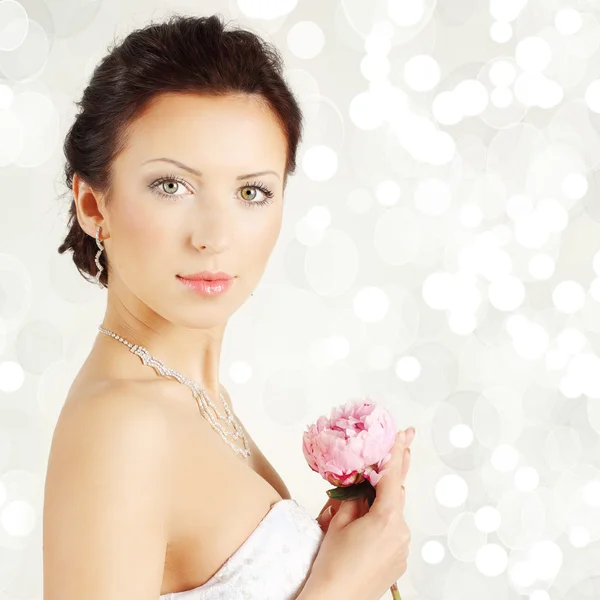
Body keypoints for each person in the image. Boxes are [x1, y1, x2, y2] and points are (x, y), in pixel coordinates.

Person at [43, 13, 414, 600]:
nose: (214, 235)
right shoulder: (125, 425)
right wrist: (342, 587)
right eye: (172, 185)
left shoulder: (198, 397)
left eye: (251, 192)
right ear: (93, 205)